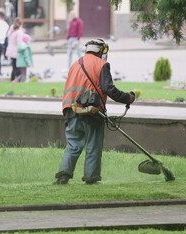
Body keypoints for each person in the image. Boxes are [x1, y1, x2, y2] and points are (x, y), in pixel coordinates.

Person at [55, 39, 136, 185]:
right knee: (93, 145)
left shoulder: (75, 64)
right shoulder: (102, 65)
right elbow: (108, 89)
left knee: (73, 144)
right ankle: (91, 178)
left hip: (71, 109)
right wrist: (128, 98)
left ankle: (63, 176)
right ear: (101, 51)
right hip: (91, 111)